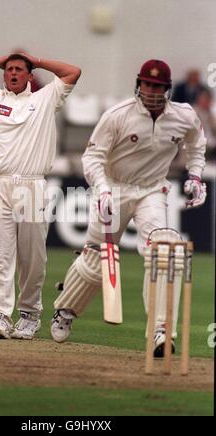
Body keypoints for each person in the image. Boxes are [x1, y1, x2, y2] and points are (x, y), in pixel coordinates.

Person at [50, 59, 207, 358]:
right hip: (115, 188)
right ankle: (65, 310)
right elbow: (92, 157)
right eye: (147, 84)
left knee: (164, 252)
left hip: (152, 190)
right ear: (139, 84)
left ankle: (162, 330)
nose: (151, 90)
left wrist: (196, 175)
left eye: (158, 86)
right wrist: (102, 188)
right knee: (96, 262)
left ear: (167, 90)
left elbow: (196, 144)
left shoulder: (183, 116)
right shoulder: (118, 115)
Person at [0, 52, 81, 340]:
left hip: (31, 185)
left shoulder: (45, 98)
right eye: (9, 69)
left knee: (32, 257)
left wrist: (35, 59)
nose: (13, 73)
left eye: (19, 69)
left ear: (29, 75)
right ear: (3, 74)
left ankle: (29, 314)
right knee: (0, 255)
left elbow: (73, 70)